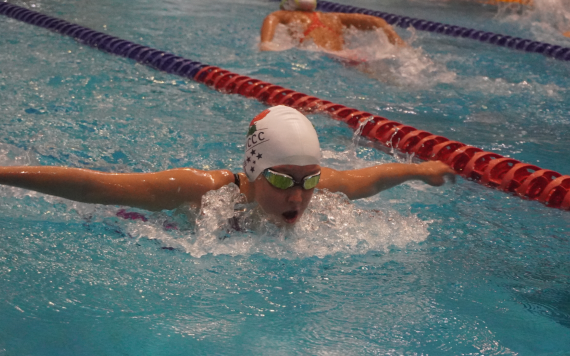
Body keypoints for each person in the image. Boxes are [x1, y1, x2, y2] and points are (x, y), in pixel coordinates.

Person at [0, 106, 455, 226]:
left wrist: (423, 170)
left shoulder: (322, 189)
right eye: (281, 179)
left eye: (308, 180)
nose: (298, 196)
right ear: (255, 173)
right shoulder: (199, 190)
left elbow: (370, 177)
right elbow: (100, 188)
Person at [259, 0, 405, 52]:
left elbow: (271, 18)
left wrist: (265, 43)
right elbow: (377, 21)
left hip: (324, 57)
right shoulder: (333, 17)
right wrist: (399, 43)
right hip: (349, 55)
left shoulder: (287, 15)